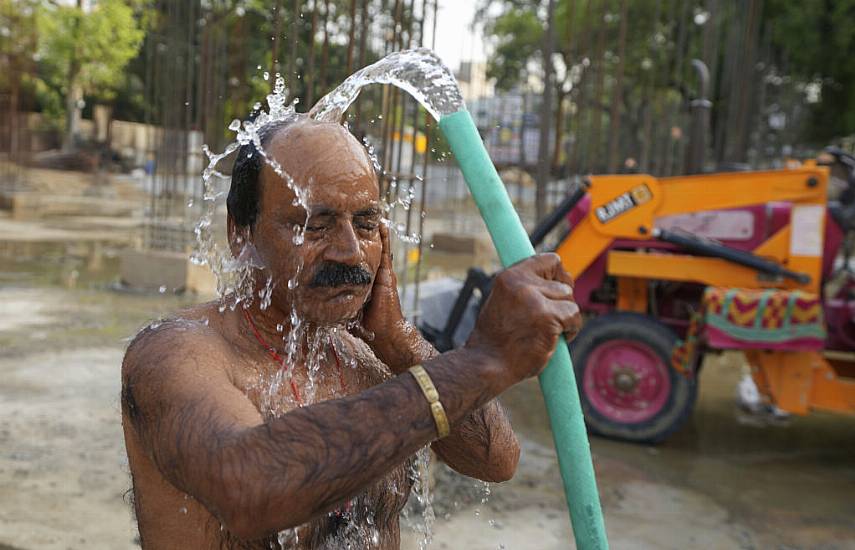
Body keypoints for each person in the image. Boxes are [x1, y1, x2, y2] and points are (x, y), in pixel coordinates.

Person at [121, 116, 582, 549]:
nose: (349, 252)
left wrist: (400, 341)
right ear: (241, 234)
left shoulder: (374, 357)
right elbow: (250, 487)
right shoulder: (177, 353)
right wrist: (482, 361)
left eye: (365, 225)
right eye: (314, 225)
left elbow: (495, 460)